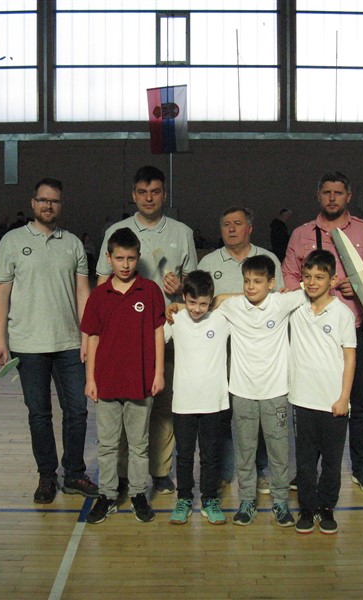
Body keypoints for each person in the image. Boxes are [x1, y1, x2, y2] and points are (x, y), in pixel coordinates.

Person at [282, 171, 363, 495]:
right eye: (327, 192)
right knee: (310, 405)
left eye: (338, 193)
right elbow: (289, 275)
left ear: (349, 196)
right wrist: (311, 293)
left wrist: (362, 289)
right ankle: (307, 470)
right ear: (319, 195)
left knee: (359, 403)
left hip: (354, 332)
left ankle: (362, 468)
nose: (332, 198)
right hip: (312, 337)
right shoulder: (301, 234)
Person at [0, 178, 98, 504]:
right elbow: (2, 293)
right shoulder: (11, 241)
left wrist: (86, 337)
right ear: (33, 203)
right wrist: (0, 340)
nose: (48, 205)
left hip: (69, 343)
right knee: (39, 414)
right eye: (43, 200)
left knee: (77, 411)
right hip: (27, 345)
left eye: (54, 201)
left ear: (60, 205)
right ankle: (47, 476)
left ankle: (74, 473)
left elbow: (83, 294)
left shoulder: (73, 244)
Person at [95, 166, 197, 494]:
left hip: (166, 333)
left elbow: (194, 284)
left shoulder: (182, 232)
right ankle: (123, 472)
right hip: (123, 339)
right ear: (133, 195)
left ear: (164, 194)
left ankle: (160, 470)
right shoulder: (117, 231)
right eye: (142, 192)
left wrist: (182, 285)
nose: (148, 198)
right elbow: (102, 283)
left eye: (154, 192)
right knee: (124, 406)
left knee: (163, 406)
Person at [214, 255, 306, 528]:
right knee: (245, 451)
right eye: (247, 281)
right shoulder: (233, 306)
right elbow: (209, 302)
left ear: (271, 283)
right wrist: (179, 306)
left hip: (276, 393)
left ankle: (280, 502)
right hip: (242, 393)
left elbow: (312, 289)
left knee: (278, 451)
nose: (251, 286)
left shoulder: (281, 302)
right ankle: (246, 501)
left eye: (257, 281)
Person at [82, 227, 166, 524]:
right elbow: (92, 338)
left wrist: (158, 372)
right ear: (109, 258)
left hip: (140, 382)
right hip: (106, 382)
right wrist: (90, 379)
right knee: (107, 445)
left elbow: (158, 332)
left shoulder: (150, 291)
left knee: (139, 445)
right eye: (119, 258)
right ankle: (107, 495)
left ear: (138, 257)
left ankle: (138, 493)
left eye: (131, 258)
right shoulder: (98, 295)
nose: (126, 264)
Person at [198, 207, 284, 495]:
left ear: (250, 228)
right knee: (222, 415)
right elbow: (203, 304)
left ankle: (260, 471)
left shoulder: (268, 259)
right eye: (226, 224)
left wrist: (227, 298)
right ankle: (224, 472)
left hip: (258, 357)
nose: (232, 229)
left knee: (258, 418)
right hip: (220, 354)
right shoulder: (209, 262)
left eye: (237, 223)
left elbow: (276, 302)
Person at [289, 250, 356, 535]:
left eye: (319, 277)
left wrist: (344, 398)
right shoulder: (295, 307)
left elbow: (350, 357)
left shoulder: (343, 314)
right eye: (307, 276)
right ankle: (307, 508)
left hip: (333, 403)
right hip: (302, 400)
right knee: (305, 462)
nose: (312, 282)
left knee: (331, 461)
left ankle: (326, 507)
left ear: (333, 279)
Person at [166, 270, 229, 526]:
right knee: (184, 455)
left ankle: (210, 499)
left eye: (203, 303)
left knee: (210, 455)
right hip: (183, 402)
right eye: (192, 302)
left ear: (211, 301)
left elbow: (246, 299)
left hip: (213, 402)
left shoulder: (222, 318)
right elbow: (155, 338)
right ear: (184, 296)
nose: (196, 309)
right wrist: (176, 308)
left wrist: (220, 299)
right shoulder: (175, 319)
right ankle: (183, 499)